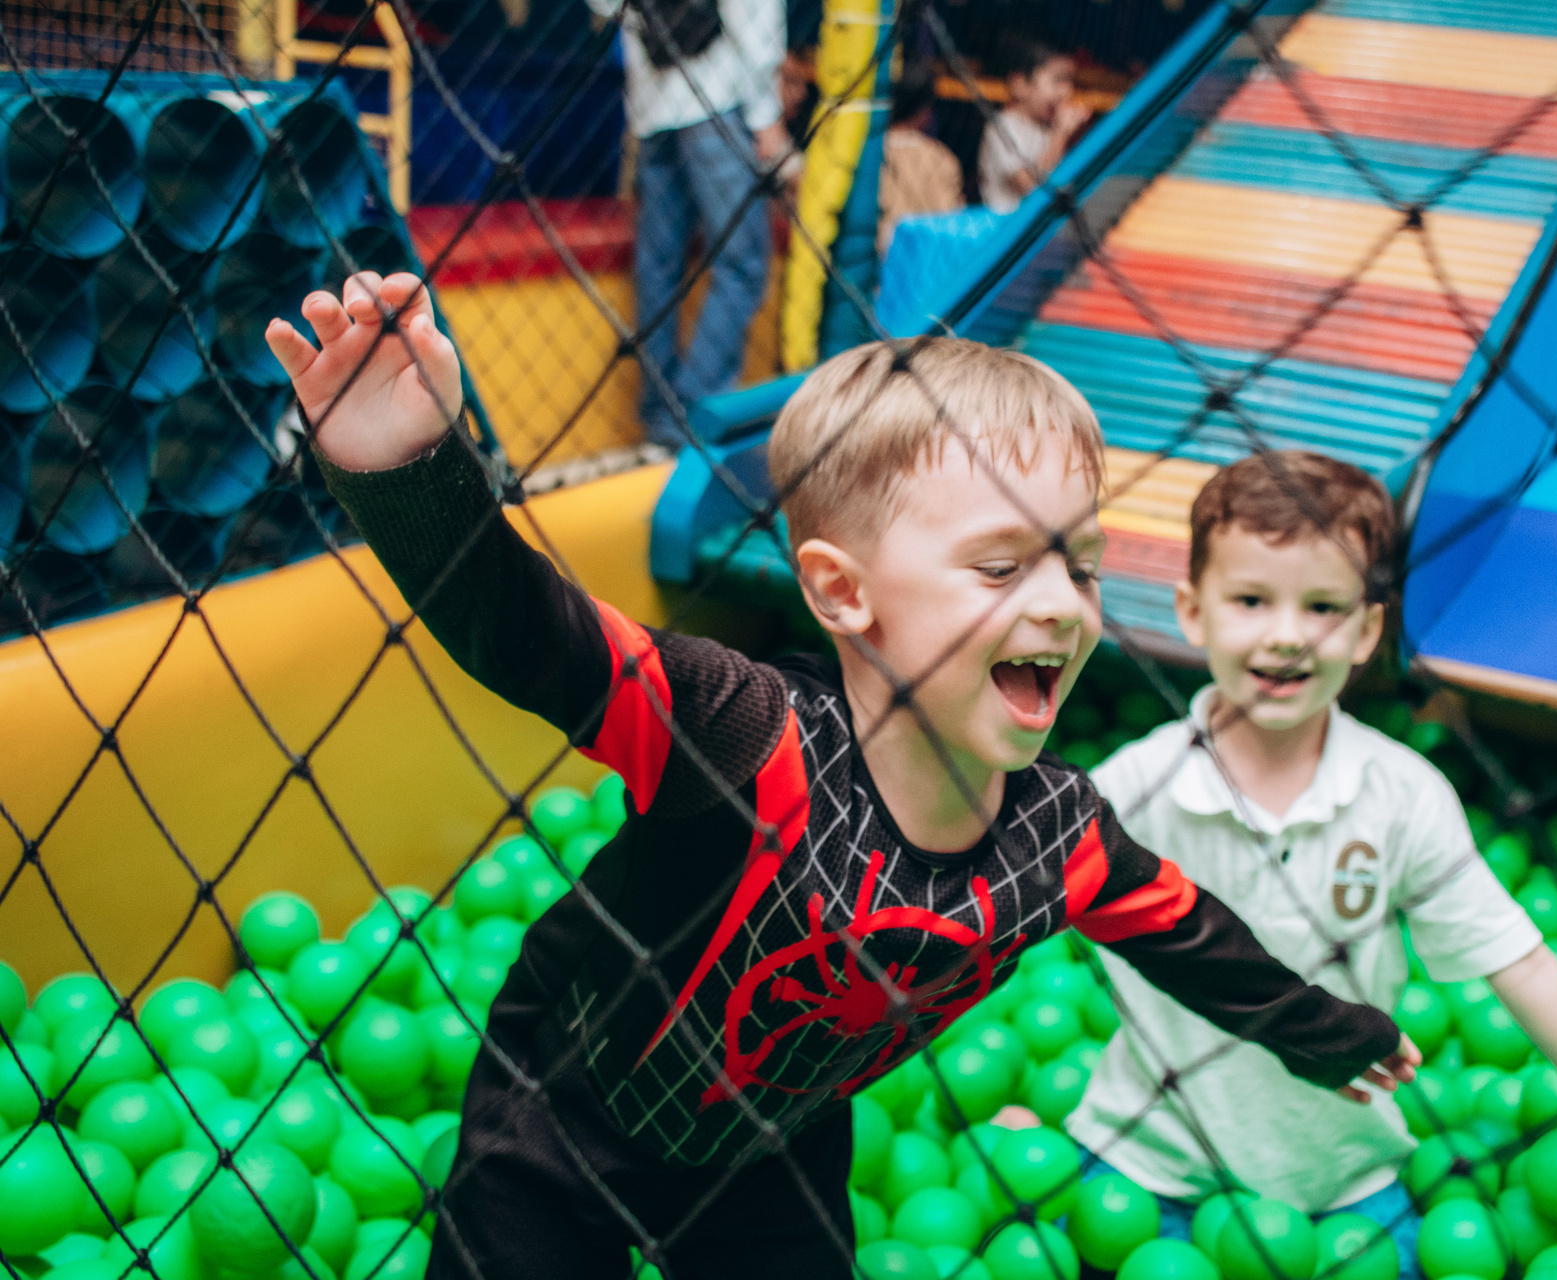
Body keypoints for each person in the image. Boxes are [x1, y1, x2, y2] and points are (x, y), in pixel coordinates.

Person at [264, 283, 1418, 1279]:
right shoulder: (742, 733)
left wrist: (1329, 1033)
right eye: (1001, 565)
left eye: (1082, 564)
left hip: (771, 1141)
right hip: (565, 1107)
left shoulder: (1058, 836)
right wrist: (407, 471)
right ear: (841, 591)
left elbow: (1190, 935)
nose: (1062, 605)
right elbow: (533, 633)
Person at [1065, 453, 1557, 1273]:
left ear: (1367, 630)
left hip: (1344, 1177)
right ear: (1192, 611)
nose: (1286, 634)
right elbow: (1008, 907)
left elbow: (1524, 965)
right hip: (1148, 1165)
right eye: (1251, 600)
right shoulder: (1134, 788)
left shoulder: (1402, 795)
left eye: (1323, 607)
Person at [586, 0, 788, 446]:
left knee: (659, 267)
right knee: (743, 264)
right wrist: (766, 114)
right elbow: (755, 15)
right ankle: (694, 415)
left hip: (651, 107)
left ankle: (661, 415)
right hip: (718, 98)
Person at [977, 31, 1089, 214]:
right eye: (1057, 80)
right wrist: (1060, 135)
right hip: (1010, 226)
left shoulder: (1048, 128)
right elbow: (1027, 185)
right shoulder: (1002, 127)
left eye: (1070, 81)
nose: (1066, 92)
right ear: (1020, 85)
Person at [879, 61, 963, 255]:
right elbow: (949, 227)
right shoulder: (941, 159)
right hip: (924, 261)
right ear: (926, 110)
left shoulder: (867, 154)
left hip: (876, 262)